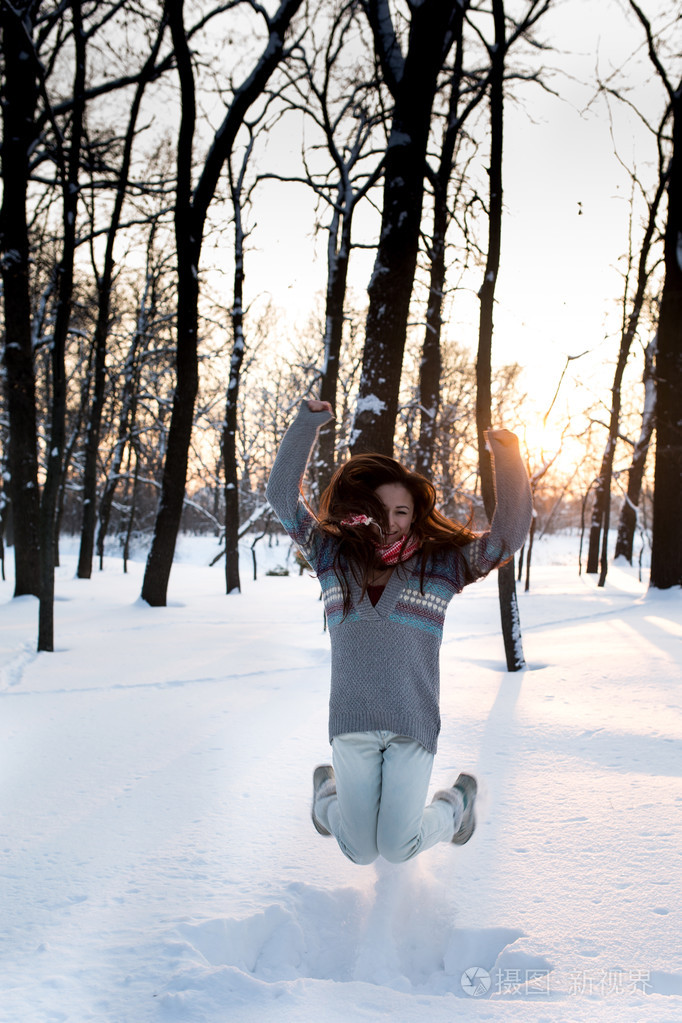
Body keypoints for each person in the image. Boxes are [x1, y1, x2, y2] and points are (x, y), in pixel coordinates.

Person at [266, 398, 532, 865]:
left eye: (403, 512)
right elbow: (282, 497)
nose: (391, 523)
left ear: (416, 514)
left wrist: (507, 457)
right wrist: (306, 422)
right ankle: (326, 797)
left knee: (396, 847)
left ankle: (455, 807)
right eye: (380, 510)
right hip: (352, 721)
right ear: (359, 509)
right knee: (360, 851)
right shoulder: (332, 558)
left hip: (411, 724)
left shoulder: (441, 567)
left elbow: (506, 537)